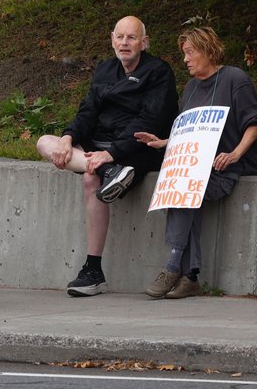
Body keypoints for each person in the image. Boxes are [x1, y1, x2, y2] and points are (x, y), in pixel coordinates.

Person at [35, 16, 178, 297]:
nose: (125, 43)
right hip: (99, 149)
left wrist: (112, 153)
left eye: (132, 38)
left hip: (136, 150)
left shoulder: (159, 72)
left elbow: (150, 121)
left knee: (90, 180)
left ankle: (93, 269)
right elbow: (87, 112)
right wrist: (68, 138)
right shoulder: (104, 70)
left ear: (144, 43)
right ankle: (106, 172)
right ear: (112, 38)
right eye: (120, 37)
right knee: (44, 142)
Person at [136, 26, 257, 299]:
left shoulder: (234, 78)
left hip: (227, 167)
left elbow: (253, 124)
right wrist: (164, 142)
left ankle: (173, 266)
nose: (185, 59)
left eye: (190, 52)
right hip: (198, 166)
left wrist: (235, 154)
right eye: (184, 53)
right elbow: (190, 133)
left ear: (208, 50)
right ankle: (190, 277)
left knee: (183, 191)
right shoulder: (192, 88)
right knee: (179, 189)